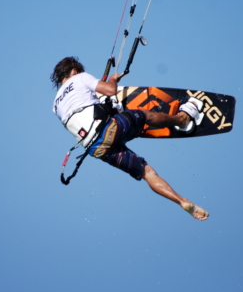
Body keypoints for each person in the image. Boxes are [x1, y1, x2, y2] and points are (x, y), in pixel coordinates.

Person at [51, 56, 209, 221]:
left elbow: (83, 115)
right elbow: (111, 90)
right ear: (74, 71)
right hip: (108, 129)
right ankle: (182, 120)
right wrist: (112, 80)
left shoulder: (55, 105)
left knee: (147, 173)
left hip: (97, 149)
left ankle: (182, 201)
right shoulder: (80, 77)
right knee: (144, 115)